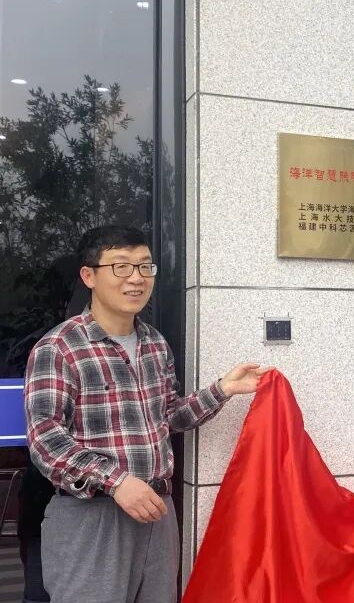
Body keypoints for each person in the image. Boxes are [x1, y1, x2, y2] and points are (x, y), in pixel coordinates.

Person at [24, 225, 268, 603]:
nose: (136, 278)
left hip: (157, 512)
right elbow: (46, 438)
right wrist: (116, 481)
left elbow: (168, 416)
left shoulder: (154, 344)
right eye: (121, 266)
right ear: (89, 276)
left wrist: (222, 389)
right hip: (93, 517)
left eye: (144, 266)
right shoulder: (59, 347)